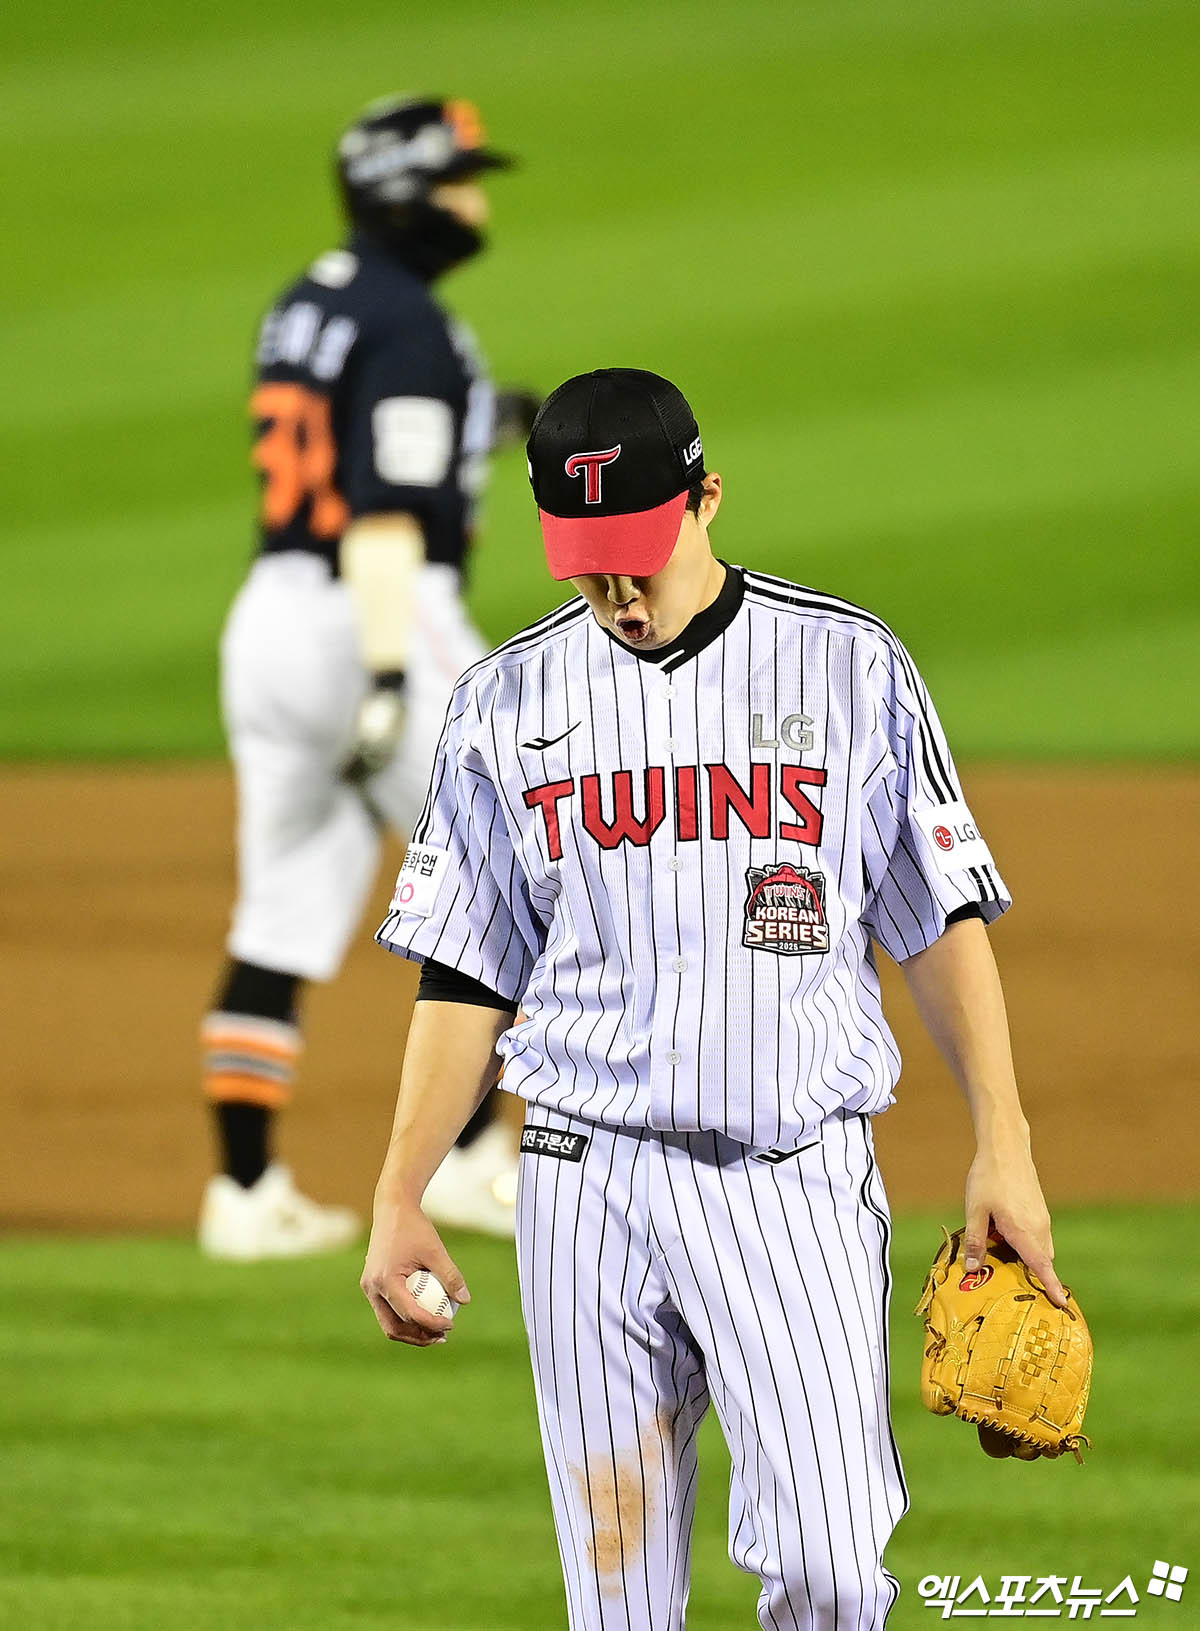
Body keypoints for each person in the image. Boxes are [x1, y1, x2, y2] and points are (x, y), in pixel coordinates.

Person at [360, 368, 1068, 1629]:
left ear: (708, 499)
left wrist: (1002, 1141)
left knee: (836, 1568)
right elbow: (466, 968)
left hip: (787, 1180)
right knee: (618, 1598)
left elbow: (938, 919)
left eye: (638, 554)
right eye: (587, 565)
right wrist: (400, 1189)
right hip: (581, 1180)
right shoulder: (500, 702)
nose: (617, 594)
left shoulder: (850, 669)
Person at [198, 96, 539, 1260]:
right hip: (373, 613)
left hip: (270, 624)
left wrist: (500, 420)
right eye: (457, 178)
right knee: (521, 867)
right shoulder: (411, 323)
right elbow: (386, 508)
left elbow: (366, 429)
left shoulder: (312, 299)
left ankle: (244, 1191)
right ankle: (479, 1160)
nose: (475, 199)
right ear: (408, 191)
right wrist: (391, 676)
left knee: (280, 907)